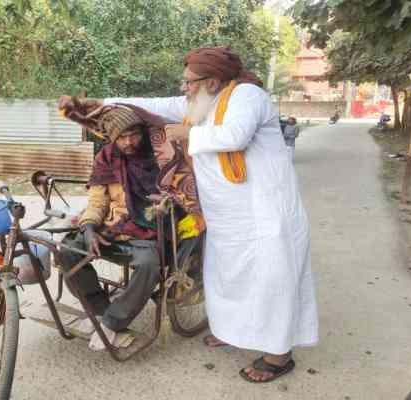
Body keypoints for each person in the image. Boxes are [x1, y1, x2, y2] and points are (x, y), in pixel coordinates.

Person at [60, 46, 318, 382]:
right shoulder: (201, 103)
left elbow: (235, 136)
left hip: (265, 214)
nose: (183, 89)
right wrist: (100, 103)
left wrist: (187, 134)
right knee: (227, 277)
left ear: (212, 81)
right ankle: (233, 332)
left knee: (270, 280)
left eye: (189, 82)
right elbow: (150, 105)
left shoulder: (247, 95)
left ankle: (278, 355)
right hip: (226, 216)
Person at [58, 107, 162, 351]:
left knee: (150, 264)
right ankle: (100, 309)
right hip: (112, 226)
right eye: (122, 137)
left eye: (134, 134)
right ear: (112, 138)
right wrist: (90, 228)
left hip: (145, 228)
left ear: (143, 133)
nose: (129, 142)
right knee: (67, 249)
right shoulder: (106, 158)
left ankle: (114, 321)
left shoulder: (158, 157)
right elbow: (98, 201)